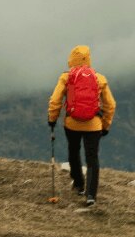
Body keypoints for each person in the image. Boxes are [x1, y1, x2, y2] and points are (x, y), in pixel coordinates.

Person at [48, 45, 116, 207]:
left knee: (73, 151)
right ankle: (91, 195)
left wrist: (52, 119)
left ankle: (79, 184)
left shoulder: (66, 77)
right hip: (94, 125)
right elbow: (111, 104)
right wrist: (105, 125)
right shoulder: (99, 78)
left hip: (72, 124)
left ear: (71, 59)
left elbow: (55, 100)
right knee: (92, 158)